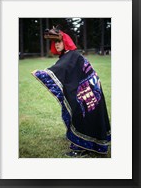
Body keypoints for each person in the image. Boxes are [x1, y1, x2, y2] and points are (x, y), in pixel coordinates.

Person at [31, 27, 111, 157]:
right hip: (89, 89)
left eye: (59, 41)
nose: (56, 44)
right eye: (54, 42)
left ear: (66, 42)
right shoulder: (69, 55)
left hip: (89, 90)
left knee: (81, 114)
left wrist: (41, 73)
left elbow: (59, 69)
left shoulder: (72, 55)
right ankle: (88, 144)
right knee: (83, 115)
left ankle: (81, 147)